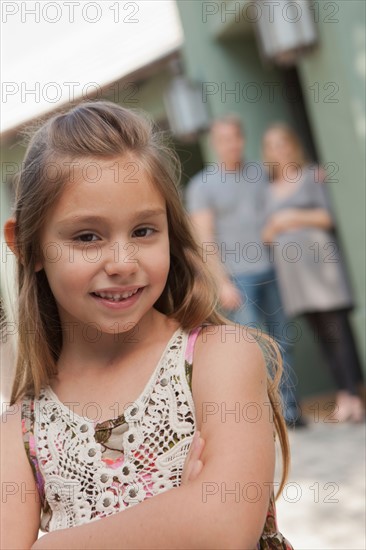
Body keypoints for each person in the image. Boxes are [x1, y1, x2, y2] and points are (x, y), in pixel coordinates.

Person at [1, 101, 294, 549]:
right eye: (87, 237)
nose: (123, 263)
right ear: (29, 246)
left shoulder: (220, 358)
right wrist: (179, 514)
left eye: (143, 231)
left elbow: (224, 526)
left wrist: (51, 544)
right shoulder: (21, 432)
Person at [185, 115, 305, 427]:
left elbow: (285, 192)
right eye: (224, 139)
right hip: (238, 278)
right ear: (215, 143)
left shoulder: (259, 173)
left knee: (282, 342)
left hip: (274, 270)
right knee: (254, 348)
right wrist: (221, 282)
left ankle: (291, 412)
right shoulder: (202, 185)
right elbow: (204, 238)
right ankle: (270, 416)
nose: (231, 145)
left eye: (236, 138)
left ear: (242, 139)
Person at [261, 122, 365, 423]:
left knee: (337, 331)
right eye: (272, 145)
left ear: (292, 145)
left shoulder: (311, 176)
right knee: (321, 335)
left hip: (322, 269)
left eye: (283, 142)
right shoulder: (268, 189)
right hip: (296, 278)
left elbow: (326, 215)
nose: (278, 149)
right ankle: (343, 394)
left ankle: (353, 395)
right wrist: (275, 226)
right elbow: (266, 233)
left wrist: (291, 217)